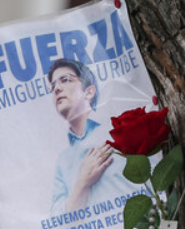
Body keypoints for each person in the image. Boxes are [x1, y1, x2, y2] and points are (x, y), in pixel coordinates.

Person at [48, 58, 139, 214]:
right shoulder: (63, 161)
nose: (56, 89)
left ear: (89, 91)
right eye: (52, 86)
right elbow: (57, 221)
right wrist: (82, 182)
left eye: (66, 80)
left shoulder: (119, 132)